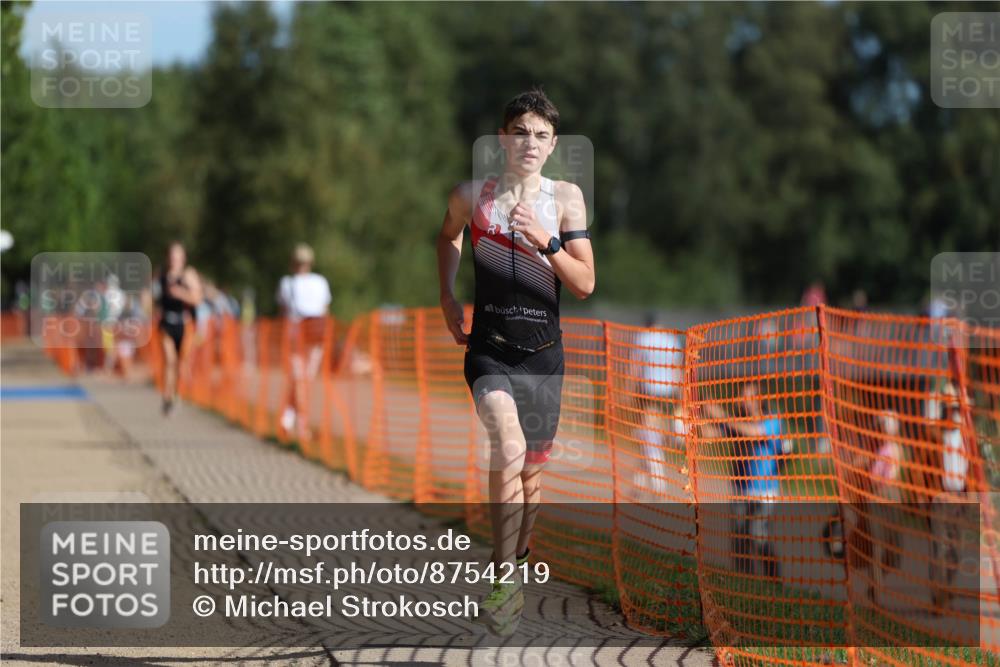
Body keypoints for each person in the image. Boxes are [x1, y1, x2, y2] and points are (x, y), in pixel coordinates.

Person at [436, 89, 595, 635]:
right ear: (503, 138)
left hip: (544, 356)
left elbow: (584, 284)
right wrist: (448, 297)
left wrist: (545, 241)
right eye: (521, 132)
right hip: (489, 349)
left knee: (531, 477)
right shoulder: (471, 196)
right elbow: (447, 236)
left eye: (542, 135)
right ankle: (502, 577)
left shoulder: (566, 199)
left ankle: (518, 560)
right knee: (507, 443)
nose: (530, 143)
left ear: (553, 145)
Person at [706, 383, 783, 580]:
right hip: (740, 488)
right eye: (741, 396)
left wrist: (722, 416)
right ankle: (744, 582)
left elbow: (752, 432)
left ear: (759, 399)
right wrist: (699, 412)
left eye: (747, 396)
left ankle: (774, 580)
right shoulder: (738, 420)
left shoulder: (772, 420)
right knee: (739, 539)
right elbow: (710, 434)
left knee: (757, 534)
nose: (743, 400)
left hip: (764, 491)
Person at [276, 243, 331, 442]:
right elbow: (325, 310)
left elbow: (283, 312)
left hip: (301, 336)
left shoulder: (288, 283)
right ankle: (301, 426)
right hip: (312, 337)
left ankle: (288, 420)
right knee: (303, 382)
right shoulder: (320, 282)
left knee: (301, 382)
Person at [632, 312, 684, 497]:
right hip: (668, 392)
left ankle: (658, 484)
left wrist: (631, 391)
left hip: (650, 392)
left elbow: (635, 367)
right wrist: (679, 394)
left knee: (648, 438)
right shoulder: (671, 338)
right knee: (649, 438)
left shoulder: (643, 337)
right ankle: (638, 483)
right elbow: (678, 368)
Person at [155, 242, 202, 416]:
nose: (174, 260)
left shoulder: (188, 275)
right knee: (169, 360)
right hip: (166, 323)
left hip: (184, 324)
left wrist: (181, 293)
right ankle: (166, 396)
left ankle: (175, 394)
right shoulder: (161, 276)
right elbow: (154, 298)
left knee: (180, 364)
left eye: (177, 256)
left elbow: (197, 299)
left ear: (183, 258)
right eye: (171, 256)